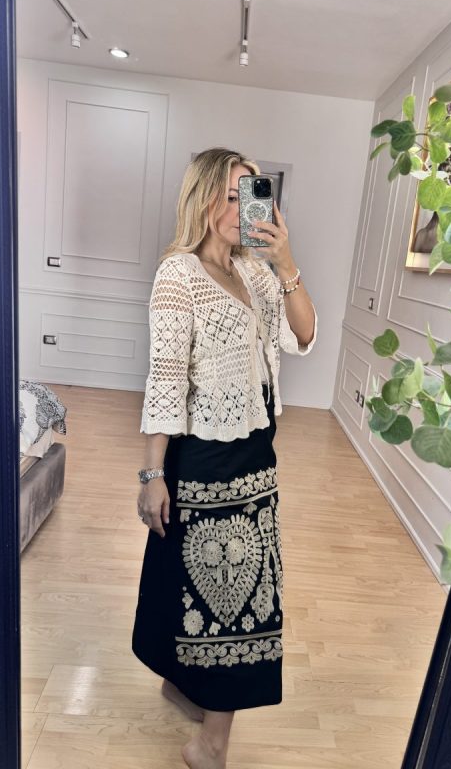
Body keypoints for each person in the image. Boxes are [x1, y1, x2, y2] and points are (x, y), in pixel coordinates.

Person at [131, 147, 317, 769]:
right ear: (204, 199)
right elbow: (165, 379)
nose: (243, 210)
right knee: (217, 585)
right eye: (232, 196)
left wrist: (286, 263)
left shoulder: (257, 273)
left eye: (253, 195)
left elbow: (303, 334)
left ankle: (185, 689)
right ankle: (211, 744)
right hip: (204, 457)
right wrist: (152, 475)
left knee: (232, 584)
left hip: (257, 453)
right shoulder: (178, 275)